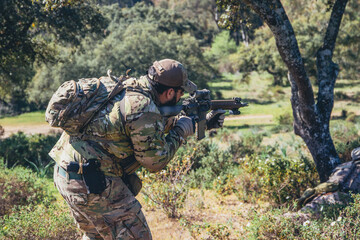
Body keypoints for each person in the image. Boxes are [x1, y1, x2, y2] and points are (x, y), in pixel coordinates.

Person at [49, 59, 225, 240]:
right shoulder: (144, 107)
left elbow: (144, 128)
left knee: (97, 236)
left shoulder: (127, 87)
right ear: (170, 91)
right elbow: (155, 161)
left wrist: (196, 122)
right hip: (94, 184)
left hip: (66, 174)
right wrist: (181, 131)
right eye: (180, 94)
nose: (180, 99)